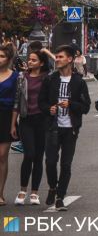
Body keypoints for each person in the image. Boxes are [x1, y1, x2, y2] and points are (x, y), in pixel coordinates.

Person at [37, 45, 91, 211]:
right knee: (50, 161)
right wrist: (49, 109)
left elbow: (86, 106)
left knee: (66, 165)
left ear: (70, 59)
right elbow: (42, 102)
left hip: (70, 129)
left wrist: (71, 104)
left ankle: (60, 197)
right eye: (57, 57)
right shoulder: (50, 79)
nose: (57, 59)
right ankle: (53, 187)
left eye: (60, 57)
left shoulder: (78, 82)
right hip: (53, 127)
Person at [11, 50, 49, 205]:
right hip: (26, 120)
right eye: (29, 59)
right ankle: (22, 190)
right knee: (29, 155)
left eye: (34, 60)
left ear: (41, 62)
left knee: (39, 157)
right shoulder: (22, 77)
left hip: (43, 121)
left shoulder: (48, 78)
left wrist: (47, 51)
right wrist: (13, 123)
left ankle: (34, 193)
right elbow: (16, 101)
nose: (30, 62)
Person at [0, 44, 19, 206]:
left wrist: (13, 124)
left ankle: (0, 193)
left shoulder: (15, 77)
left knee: (2, 155)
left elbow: (16, 103)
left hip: (6, 117)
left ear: (8, 59)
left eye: (2, 56)